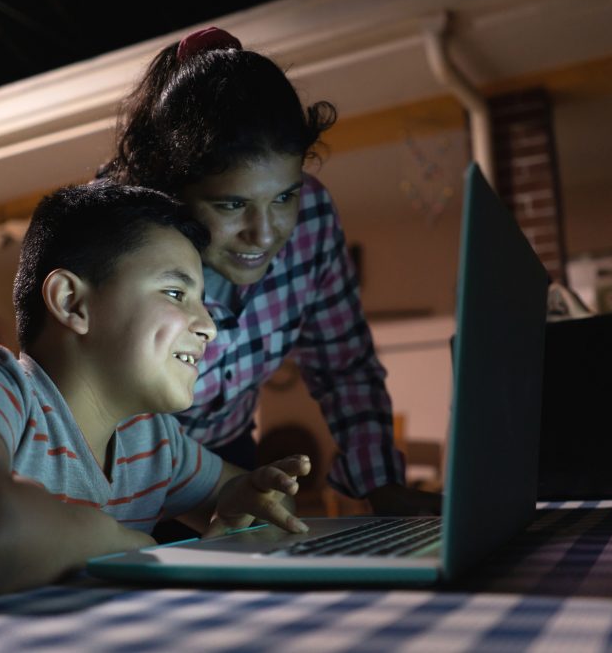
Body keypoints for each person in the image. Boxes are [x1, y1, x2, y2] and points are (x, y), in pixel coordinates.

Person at [0, 181, 310, 611]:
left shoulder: (149, 440)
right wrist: (128, 546)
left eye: (202, 301)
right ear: (72, 303)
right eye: (176, 294)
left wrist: (238, 508)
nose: (207, 326)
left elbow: (235, 494)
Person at [108, 26, 439, 515]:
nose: (264, 235)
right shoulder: (112, 236)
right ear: (168, 192)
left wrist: (383, 487)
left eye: (284, 196)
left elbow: (343, 365)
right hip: (117, 464)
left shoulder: (313, 221)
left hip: (229, 451)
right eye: (232, 205)